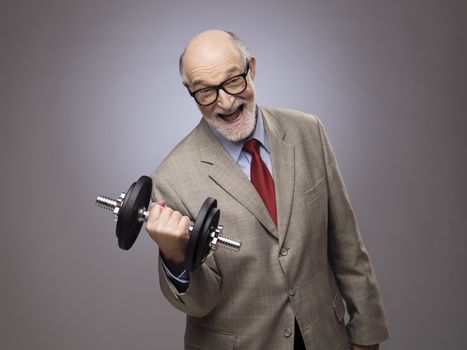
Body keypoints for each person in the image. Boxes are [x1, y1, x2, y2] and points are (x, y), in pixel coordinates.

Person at [145, 29, 389, 350]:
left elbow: (346, 245)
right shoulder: (171, 178)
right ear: (189, 91)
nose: (227, 102)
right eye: (206, 91)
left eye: (234, 80)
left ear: (252, 68)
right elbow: (200, 303)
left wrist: (366, 335)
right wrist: (175, 258)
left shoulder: (308, 131)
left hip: (326, 338)